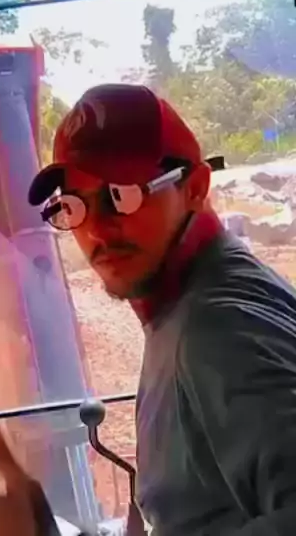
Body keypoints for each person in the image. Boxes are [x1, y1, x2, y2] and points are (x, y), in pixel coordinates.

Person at [25, 83, 296, 535]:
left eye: (121, 194)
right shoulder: (188, 301)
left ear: (195, 187)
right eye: (74, 206)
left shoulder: (216, 328)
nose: (97, 230)